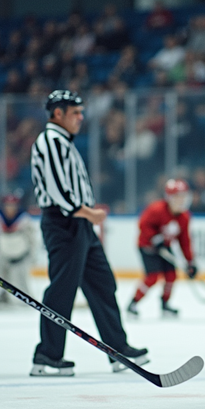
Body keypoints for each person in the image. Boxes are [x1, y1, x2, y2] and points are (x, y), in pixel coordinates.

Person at [30, 89, 148, 376]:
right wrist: (88, 212)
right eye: (75, 112)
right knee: (62, 288)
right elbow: (58, 190)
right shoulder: (50, 141)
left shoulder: (63, 141)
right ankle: (47, 355)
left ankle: (117, 348)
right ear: (58, 113)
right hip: (65, 222)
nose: (81, 118)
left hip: (78, 223)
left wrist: (86, 215)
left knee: (102, 282)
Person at [127, 178, 197, 319]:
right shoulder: (156, 209)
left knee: (171, 275)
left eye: (184, 197)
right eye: (178, 197)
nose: (182, 200)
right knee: (152, 277)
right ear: (169, 198)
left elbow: (184, 241)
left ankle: (165, 304)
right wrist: (153, 238)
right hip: (147, 246)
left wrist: (190, 262)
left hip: (164, 246)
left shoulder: (184, 217)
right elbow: (143, 224)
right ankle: (133, 304)